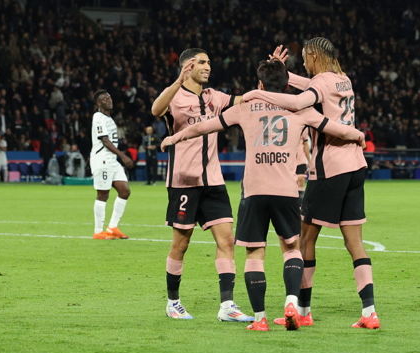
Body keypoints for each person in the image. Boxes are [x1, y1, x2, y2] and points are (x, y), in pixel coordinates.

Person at [161, 60, 365, 331]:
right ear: (286, 84)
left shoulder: (246, 108)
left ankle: (259, 319)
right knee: (292, 249)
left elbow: (206, 126)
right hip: (287, 192)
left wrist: (175, 138)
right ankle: (291, 301)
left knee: (255, 253)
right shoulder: (301, 110)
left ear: (260, 85)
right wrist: (358, 134)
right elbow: (333, 127)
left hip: (255, 192)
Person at [242, 40, 379, 330]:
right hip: (356, 165)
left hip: (329, 168)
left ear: (314, 55)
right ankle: (370, 312)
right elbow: (311, 86)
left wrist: (256, 92)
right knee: (355, 242)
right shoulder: (343, 80)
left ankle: (303, 309)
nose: (304, 63)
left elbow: (297, 102)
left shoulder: (321, 82)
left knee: (305, 240)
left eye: (305, 58)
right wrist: (279, 73)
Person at [151, 48, 251, 322]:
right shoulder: (175, 96)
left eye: (209, 62)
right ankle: (173, 302)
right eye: (203, 63)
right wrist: (177, 81)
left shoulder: (214, 96)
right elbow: (156, 110)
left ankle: (227, 305)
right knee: (181, 244)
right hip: (183, 181)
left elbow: (243, 99)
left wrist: (271, 79)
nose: (208, 67)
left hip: (213, 181)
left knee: (226, 240)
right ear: (189, 65)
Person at [90, 90, 133, 240]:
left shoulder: (109, 118)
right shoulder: (98, 117)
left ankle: (112, 227)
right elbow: (105, 140)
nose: (109, 100)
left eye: (109, 97)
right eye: (104, 99)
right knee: (103, 194)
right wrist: (123, 156)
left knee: (125, 191)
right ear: (98, 103)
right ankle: (98, 231)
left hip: (112, 161)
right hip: (102, 159)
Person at [296, 129, 311, 206]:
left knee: (300, 186)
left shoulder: (303, 128)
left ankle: (300, 210)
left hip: (300, 162)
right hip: (289, 162)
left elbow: (306, 145)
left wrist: (309, 161)